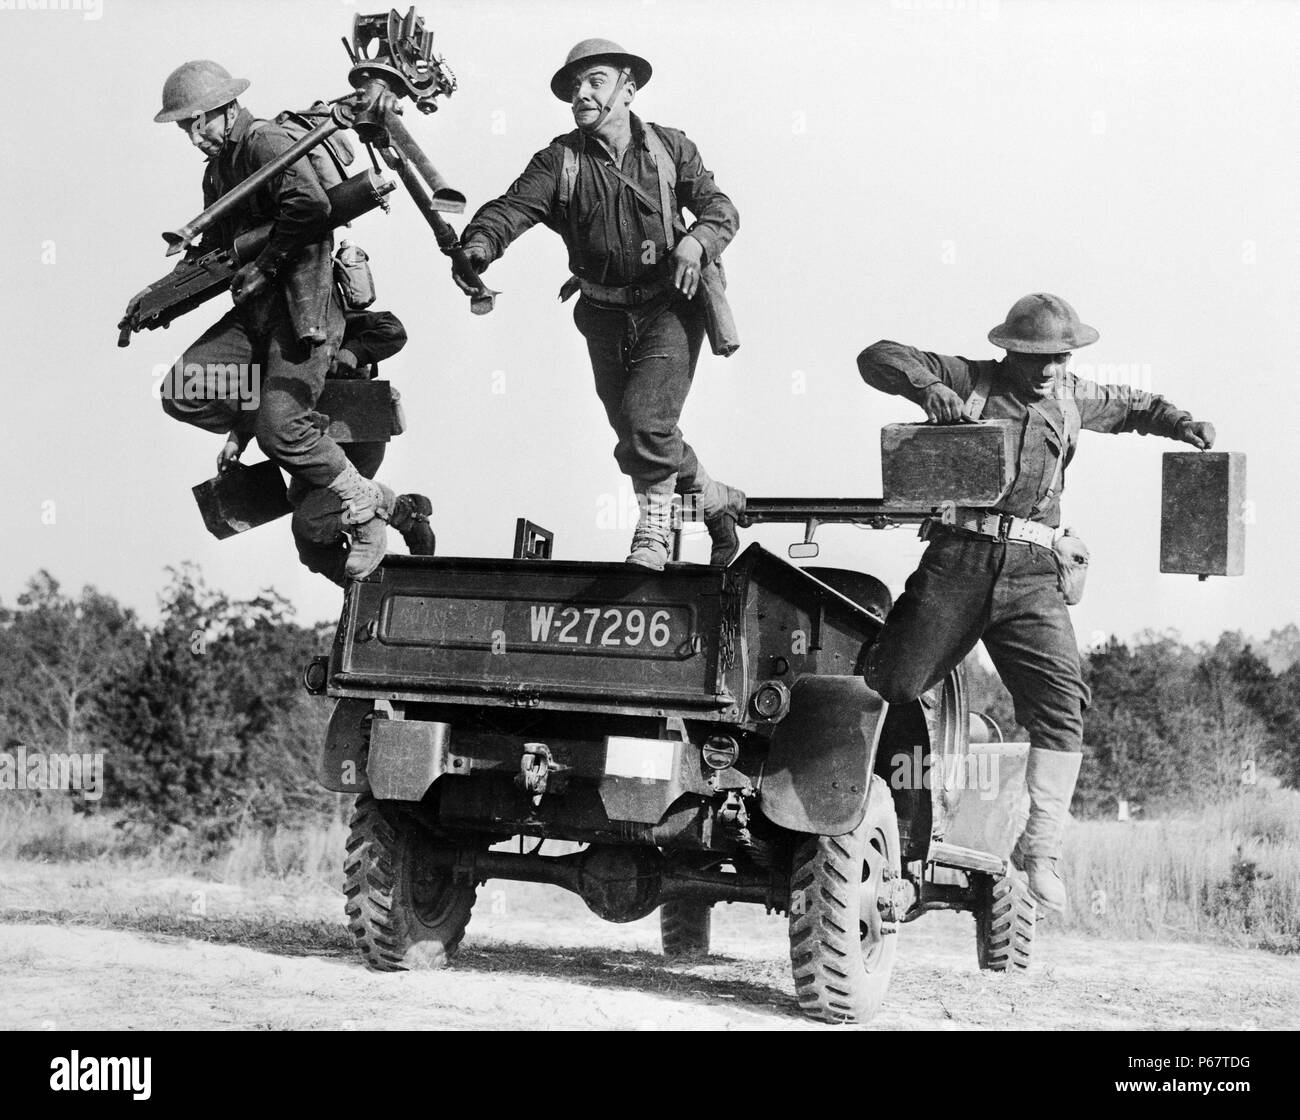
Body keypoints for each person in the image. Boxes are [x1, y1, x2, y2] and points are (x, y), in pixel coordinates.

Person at [857, 293, 1217, 913]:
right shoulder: (971, 377)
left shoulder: (1075, 395)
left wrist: (1182, 423)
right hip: (958, 563)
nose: (1049, 368)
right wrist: (926, 389)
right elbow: (877, 356)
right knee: (889, 683)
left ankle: (1041, 849)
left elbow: (1137, 407)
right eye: (1036, 357)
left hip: (1033, 574)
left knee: (1062, 703)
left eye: (1060, 355)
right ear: (1009, 351)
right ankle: (885, 825)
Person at [455, 39, 748, 569]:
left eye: (595, 81)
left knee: (643, 424)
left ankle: (654, 533)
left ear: (627, 89)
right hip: (602, 316)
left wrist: (696, 240)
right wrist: (479, 245)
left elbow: (720, 208)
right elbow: (512, 207)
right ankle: (710, 496)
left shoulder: (670, 148)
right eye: (575, 87)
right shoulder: (559, 160)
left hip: (670, 307)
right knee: (639, 433)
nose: (582, 95)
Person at [152, 60, 398, 579]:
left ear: (228, 108)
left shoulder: (264, 142)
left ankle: (368, 505)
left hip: (304, 307)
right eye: (186, 128)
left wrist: (265, 265)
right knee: (184, 388)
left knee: (281, 430)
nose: (196, 137)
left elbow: (308, 207)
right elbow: (220, 252)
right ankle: (260, 424)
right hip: (256, 314)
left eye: (201, 124)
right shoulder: (217, 171)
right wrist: (160, 296)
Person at [217, 307, 437, 587]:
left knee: (310, 525)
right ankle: (369, 586)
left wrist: (352, 353)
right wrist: (237, 438)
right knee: (310, 547)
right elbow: (257, 384)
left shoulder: (326, 313)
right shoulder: (265, 328)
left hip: (355, 433)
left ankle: (394, 508)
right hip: (310, 438)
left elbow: (393, 330)